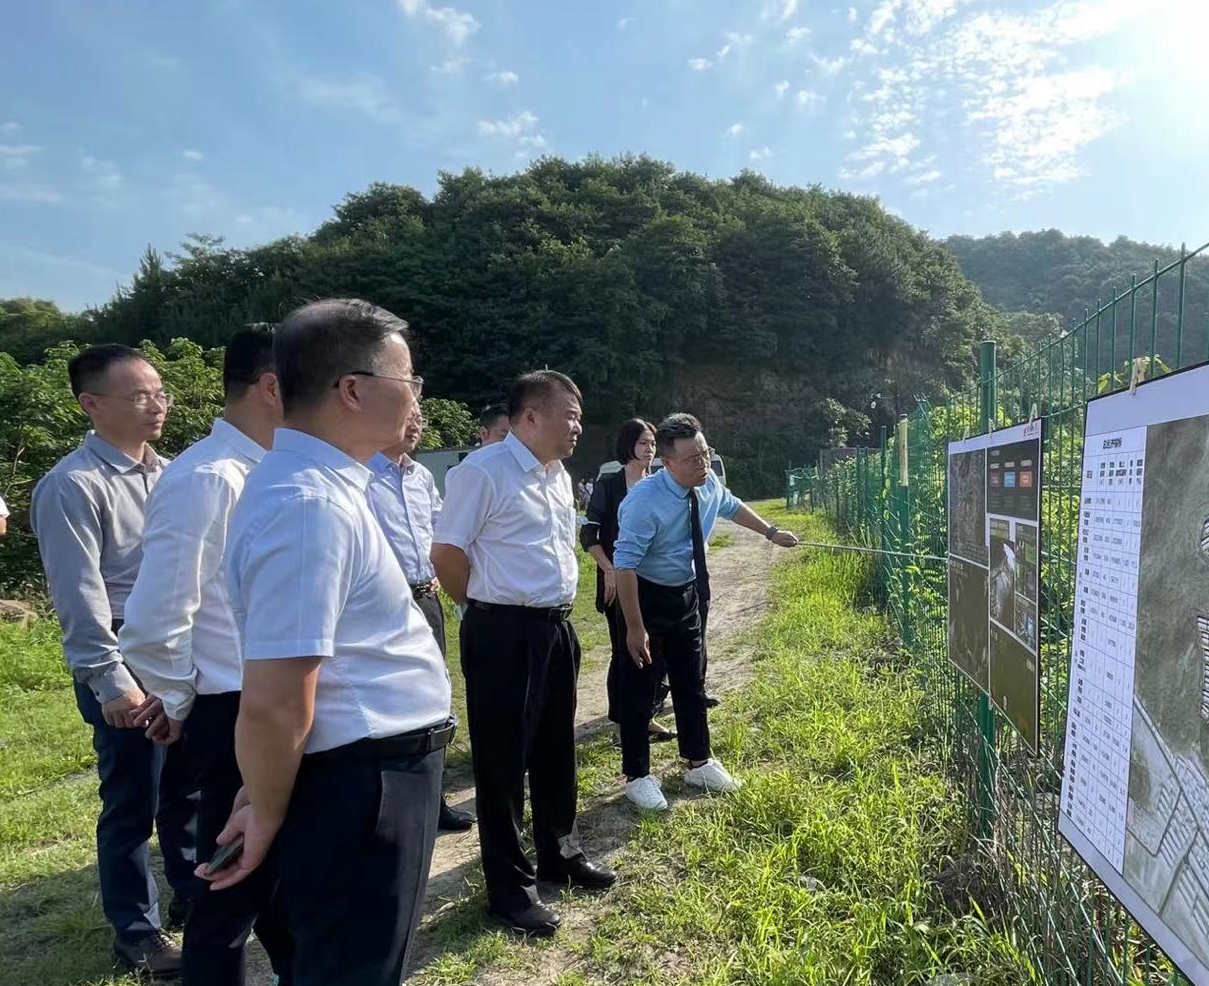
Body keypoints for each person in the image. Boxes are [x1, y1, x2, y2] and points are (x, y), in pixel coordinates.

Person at [205, 299, 453, 986]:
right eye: (409, 380)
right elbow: (276, 698)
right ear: (353, 389)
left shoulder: (324, 488)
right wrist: (266, 807)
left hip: (364, 777)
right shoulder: (309, 505)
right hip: (362, 786)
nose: (417, 397)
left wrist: (262, 789)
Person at [118, 324, 293, 986]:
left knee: (274, 873)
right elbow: (154, 620)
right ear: (272, 387)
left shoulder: (268, 469)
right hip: (231, 710)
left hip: (271, 699)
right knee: (228, 888)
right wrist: (180, 700)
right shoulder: (207, 478)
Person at [30, 344, 196, 977]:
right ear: (91, 404)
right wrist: (111, 682)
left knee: (188, 785)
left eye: (160, 392)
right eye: (139, 395)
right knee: (132, 798)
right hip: (124, 650)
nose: (156, 405)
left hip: (180, 644)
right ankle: (136, 931)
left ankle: (192, 893)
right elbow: (79, 596)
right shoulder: (73, 485)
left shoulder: (173, 473)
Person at [432, 370, 616, 938]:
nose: (578, 427)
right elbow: (446, 554)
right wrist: (484, 609)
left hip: (556, 628)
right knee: (503, 762)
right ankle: (510, 889)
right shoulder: (482, 472)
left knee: (556, 749)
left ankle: (561, 853)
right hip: (502, 632)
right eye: (570, 416)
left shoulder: (558, 475)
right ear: (531, 417)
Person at [612, 412, 799, 811]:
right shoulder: (644, 501)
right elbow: (624, 565)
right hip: (645, 595)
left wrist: (770, 532)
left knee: (691, 681)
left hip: (687, 593)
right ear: (667, 462)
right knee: (640, 689)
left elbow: (732, 506)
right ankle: (637, 775)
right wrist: (634, 627)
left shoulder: (708, 482)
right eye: (692, 459)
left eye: (705, 453)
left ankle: (698, 761)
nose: (702, 464)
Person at [367, 406, 476, 833]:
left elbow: (439, 528)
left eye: (420, 419)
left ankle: (434, 798)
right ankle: (391, 802)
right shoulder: (360, 475)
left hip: (425, 599)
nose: (416, 424)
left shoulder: (421, 476)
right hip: (383, 605)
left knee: (434, 692)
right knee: (390, 699)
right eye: (408, 416)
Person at [580, 419, 675, 743]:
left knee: (657, 649)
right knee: (624, 649)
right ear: (627, 445)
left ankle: (645, 715)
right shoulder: (609, 486)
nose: (649, 449)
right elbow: (589, 535)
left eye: (652, 443)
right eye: (643, 443)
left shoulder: (661, 484)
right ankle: (623, 724)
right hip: (618, 580)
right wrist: (609, 570)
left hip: (656, 580)